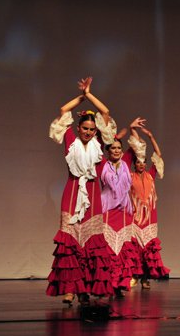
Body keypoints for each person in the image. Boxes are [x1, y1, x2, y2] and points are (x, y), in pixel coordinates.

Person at [46, 76, 117, 305]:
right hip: (72, 193)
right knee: (70, 242)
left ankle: (84, 288)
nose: (88, 132)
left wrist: (89, 95)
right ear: (78, 128)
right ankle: (69, 289)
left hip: (93, 196)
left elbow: (105, 112)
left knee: (90, 243)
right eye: (85, 128)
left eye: (92, 129)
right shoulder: (70, 141)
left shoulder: (99, 144)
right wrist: (80, 97)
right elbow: (63, 110)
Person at [100, 120, 143, 298]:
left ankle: (120, 284)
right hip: (107, 209)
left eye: (119, 148)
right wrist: (115, 136)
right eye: (113, 148)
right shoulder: (102, 163)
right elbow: (98, 143)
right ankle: (107, 283)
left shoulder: (126, 161)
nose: (117, 150)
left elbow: (136, 146)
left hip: (124, 211)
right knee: (108, 247)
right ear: (108, 151)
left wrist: (132, 129)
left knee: (123, 248)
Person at [127, 123, 170, 289]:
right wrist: (133, 131)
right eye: (138, 162)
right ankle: (134, 275)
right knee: (135, 247)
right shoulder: (129, 176)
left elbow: (158, 155)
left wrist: (151, 137)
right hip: (135, 216)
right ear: (134, 164)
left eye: (143, 162)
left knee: (148, 248)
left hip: (150, 216)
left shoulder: (150, 175)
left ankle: (145, 278)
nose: (141, 164)